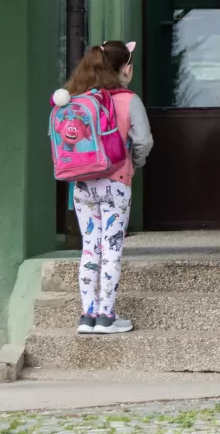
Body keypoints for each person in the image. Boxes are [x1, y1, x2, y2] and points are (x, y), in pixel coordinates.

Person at [57, 41, 154, 335]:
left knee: (91, 247)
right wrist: (134, 163)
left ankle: (87, 315)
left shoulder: (76, 98)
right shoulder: (128, 99)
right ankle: (106, 316)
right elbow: (143, 142)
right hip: (116, 182)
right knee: (111, 247)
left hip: (82, 183)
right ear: (125, 68)